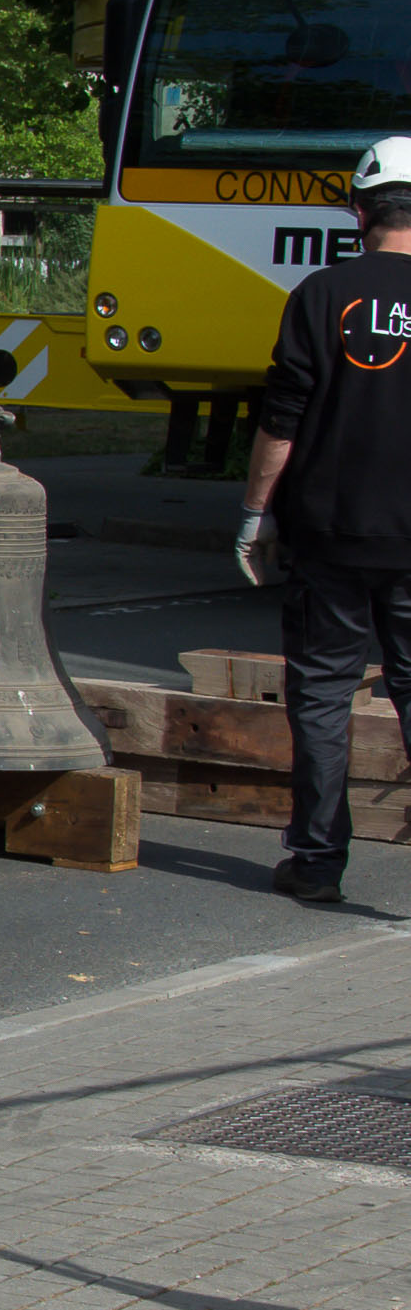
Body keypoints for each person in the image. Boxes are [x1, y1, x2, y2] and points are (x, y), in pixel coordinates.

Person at [236, 136, 411, 906]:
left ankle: (314, 864)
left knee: (319, 696)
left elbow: (282, 420)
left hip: (329, 531)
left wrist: (253, 513)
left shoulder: (318, 294)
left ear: (356, 212)